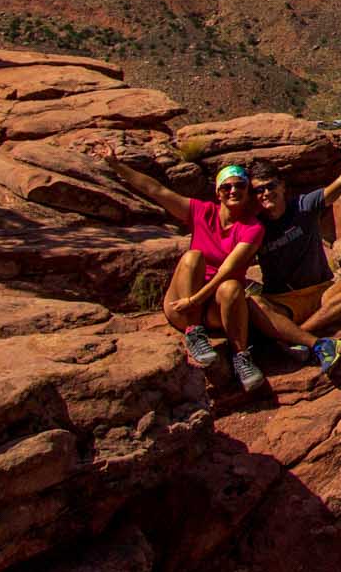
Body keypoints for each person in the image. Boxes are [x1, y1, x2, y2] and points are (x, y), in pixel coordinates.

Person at [100, 152, 270, 393]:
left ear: (247, 191)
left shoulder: (252, 228)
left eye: (240, 186)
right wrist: (117, 165)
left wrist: (198, 299)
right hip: (182, 305)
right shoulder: (201, 212)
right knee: (193, 256)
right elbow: (156, 190)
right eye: (226, 187)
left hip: (212, 308)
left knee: (232, 285)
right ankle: (194, 333)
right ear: (217, 193)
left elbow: (228, 269)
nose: (233, 191)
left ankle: (241, 357)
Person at [243, 115, 341, 372]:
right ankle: (305, 338)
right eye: (258, 190)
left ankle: (295, 337)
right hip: (283, 303)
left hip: (322, 293)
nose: (266, 193)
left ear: (282, 185)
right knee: (252, 302)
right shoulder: (254, 226)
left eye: (270, 186)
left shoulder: (303, 206)